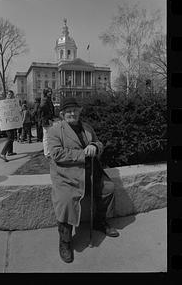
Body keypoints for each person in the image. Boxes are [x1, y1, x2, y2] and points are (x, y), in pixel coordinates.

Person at [47, 97, 119, 263]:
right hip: (66, 176)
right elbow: (57, 154)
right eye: (69, 111)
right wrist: (84, 154)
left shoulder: (87, 127)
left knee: (108, 188)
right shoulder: (55, 131)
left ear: (80, 111)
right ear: (62, 114)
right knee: (65, 202)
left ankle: (99, 222)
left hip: (91, 172)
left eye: (75, 110)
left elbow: (98, 143)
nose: (73, 113)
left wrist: (95, 146)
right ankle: (65, 241)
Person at [0, 90, 17, 162]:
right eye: (9, 95)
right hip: (6, 124)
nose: (10, 96)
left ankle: (10, 152)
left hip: (12, 123)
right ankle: (2, 153)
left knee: (12, 137)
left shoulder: (13, 103)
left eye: (11, 95)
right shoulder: (2, 103)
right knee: (10, 138)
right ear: (7, 95)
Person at [39, 88, 55, 157]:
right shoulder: (45, 99)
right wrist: (47, 115)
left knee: (49, 136)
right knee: (46, 137)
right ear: (46, 92)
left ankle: (48, 151)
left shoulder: (48, 99)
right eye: (49, 92)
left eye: (51, 91)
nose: (50, 93)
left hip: (48, 119)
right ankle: (47, 152)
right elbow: (42, 107)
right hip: (46, 120)